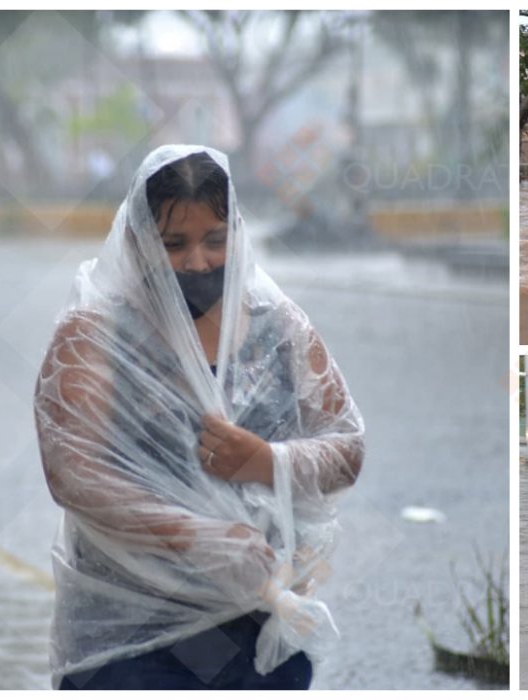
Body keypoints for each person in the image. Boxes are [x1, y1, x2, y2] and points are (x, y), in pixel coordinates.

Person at [34, 145, 365, 690]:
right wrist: (196, 537)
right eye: (174, 244)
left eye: (215, 240)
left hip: (256, 626)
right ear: (138, 242)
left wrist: (267, 460)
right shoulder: (94, 336)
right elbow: (73, 472)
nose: (198, 261)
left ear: (237, 232)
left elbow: (347, 446)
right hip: (133, 635)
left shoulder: (278, 326)